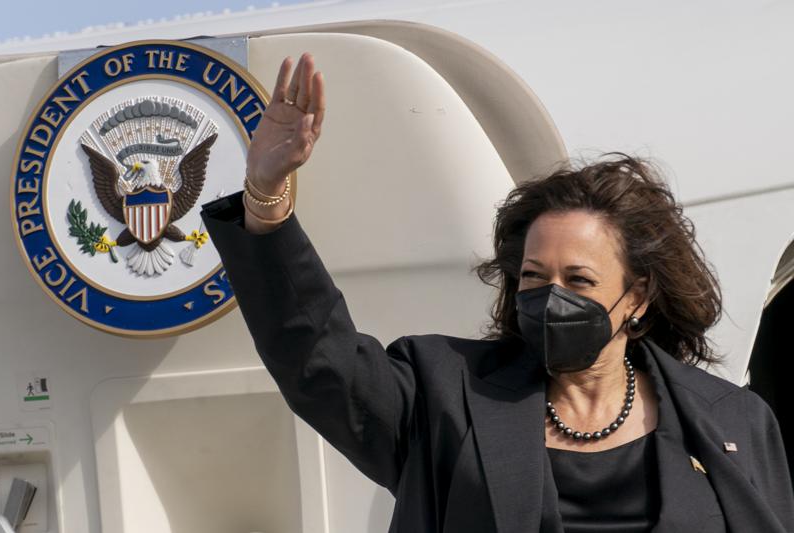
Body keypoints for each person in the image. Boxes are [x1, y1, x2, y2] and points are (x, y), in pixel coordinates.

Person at [201, 53, 794, 532]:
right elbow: (318, 360)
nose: (551, 296)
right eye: (534, 278)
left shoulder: (733, 419)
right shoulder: (442, 394)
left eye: (579, 280)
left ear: (637, 296)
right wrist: (265, 195)